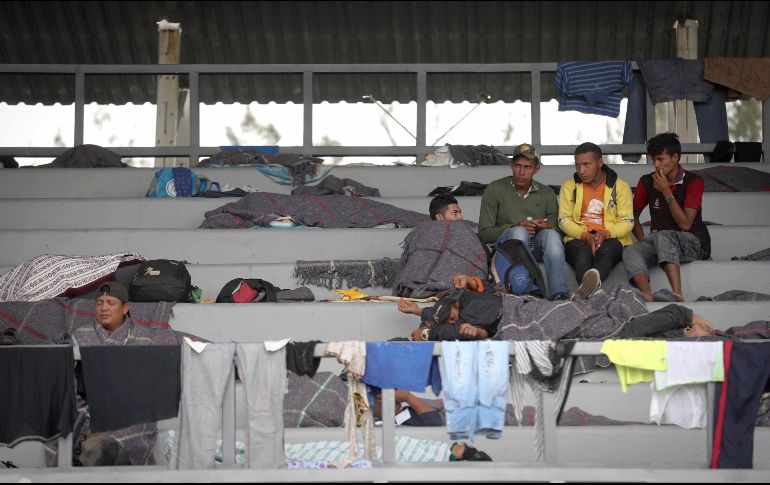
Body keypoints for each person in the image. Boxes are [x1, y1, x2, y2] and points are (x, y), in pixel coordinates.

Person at [622, 133, 711, 302]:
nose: (656, 165)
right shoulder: (647, 181)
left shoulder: (694, 181)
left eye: (660, 159)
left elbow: (685, 224)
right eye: (653, 160)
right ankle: (648, 294)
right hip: (660, 241)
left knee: (664, 235)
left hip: (693, 242)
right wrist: (642, 240)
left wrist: (666, 191)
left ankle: (677, 294)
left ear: (675, 157)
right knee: (630, 249)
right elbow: (632, 214)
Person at [478, 143, 570, 301]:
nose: (521, 172)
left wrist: (546, 227)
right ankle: (522, 290)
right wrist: (514, 226)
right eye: (517, 166)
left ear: (537, 169)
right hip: (506, 250)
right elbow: (484, 233)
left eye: (527, 167)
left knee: (551, 235)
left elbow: (559, 232)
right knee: (519, 232)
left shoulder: (547, 193)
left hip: (535, 249)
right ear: (511, 166)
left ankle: (559, 294)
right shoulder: (495, 189)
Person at [558, 142, 634, 298]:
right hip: (578, 237)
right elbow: (563, 220)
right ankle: (592, 291)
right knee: (582, 254)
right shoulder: (569, 186)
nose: (581, 171)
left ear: (600, 162)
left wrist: (607, 233)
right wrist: (585, 235)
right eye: (577, 165)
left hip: (611, 237)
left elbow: (627, 221)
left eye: (586, 164)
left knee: (606, 251)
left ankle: (586, 292)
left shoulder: (620, 186)